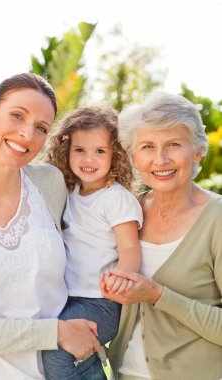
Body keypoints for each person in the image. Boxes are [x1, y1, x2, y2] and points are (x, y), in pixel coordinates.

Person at [0, 72, 101, 380]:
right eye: (17, 115)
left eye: (41, 128)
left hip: (68, 371)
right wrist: (54, 332)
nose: (27, 134)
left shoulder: (48, 182)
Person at [100, 91, 222, 380]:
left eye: (173, 144)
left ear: (197, 151)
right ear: (133, 156)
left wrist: (158, 295)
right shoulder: (126, 212)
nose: (160, 159)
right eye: (147, 146)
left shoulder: (217, 219)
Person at [42, 105, 143, 380]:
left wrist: (124, 277)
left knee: (53, 348)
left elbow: (130, 248)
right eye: (79, 150)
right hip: (67, 298)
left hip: (101, 301)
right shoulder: (70, 190)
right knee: (47, 343)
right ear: (66, 150)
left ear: (116, 154)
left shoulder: (116, 198)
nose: (89, 159)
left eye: (100, 151)